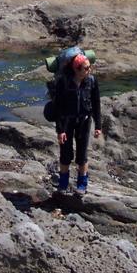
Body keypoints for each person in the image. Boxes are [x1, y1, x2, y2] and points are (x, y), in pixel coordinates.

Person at [54, 54, 102, 195]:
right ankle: (63, 185)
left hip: (84, 121)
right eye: (86, 68)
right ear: (76, 69)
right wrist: (60, 130)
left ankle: (82, 185)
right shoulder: (64, 82)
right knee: (65, 154)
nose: (89, 70)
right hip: (67, 121)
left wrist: (98, 126)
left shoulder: (92, 81)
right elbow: (58, 107)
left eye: (89, 67)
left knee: (82, 155)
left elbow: (96, 104)